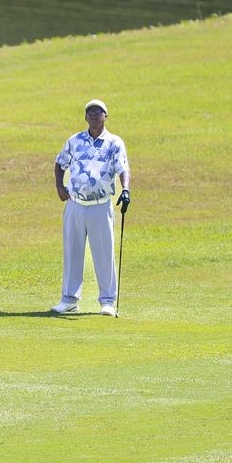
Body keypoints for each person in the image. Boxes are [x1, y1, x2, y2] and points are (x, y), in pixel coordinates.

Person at [51, 99, 130, 316]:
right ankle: (69, 300)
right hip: (75, 204)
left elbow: (122, 168)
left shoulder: (114, 142)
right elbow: (60, 163)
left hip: (100, 205)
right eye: (90, 112)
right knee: (72, 252)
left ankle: (107, 301)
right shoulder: (74, 141)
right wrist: (59, 186)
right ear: (86, 117)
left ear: (106, 116)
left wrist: (125, 190)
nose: (94, 114)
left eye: (98, 111)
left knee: (104, 254)